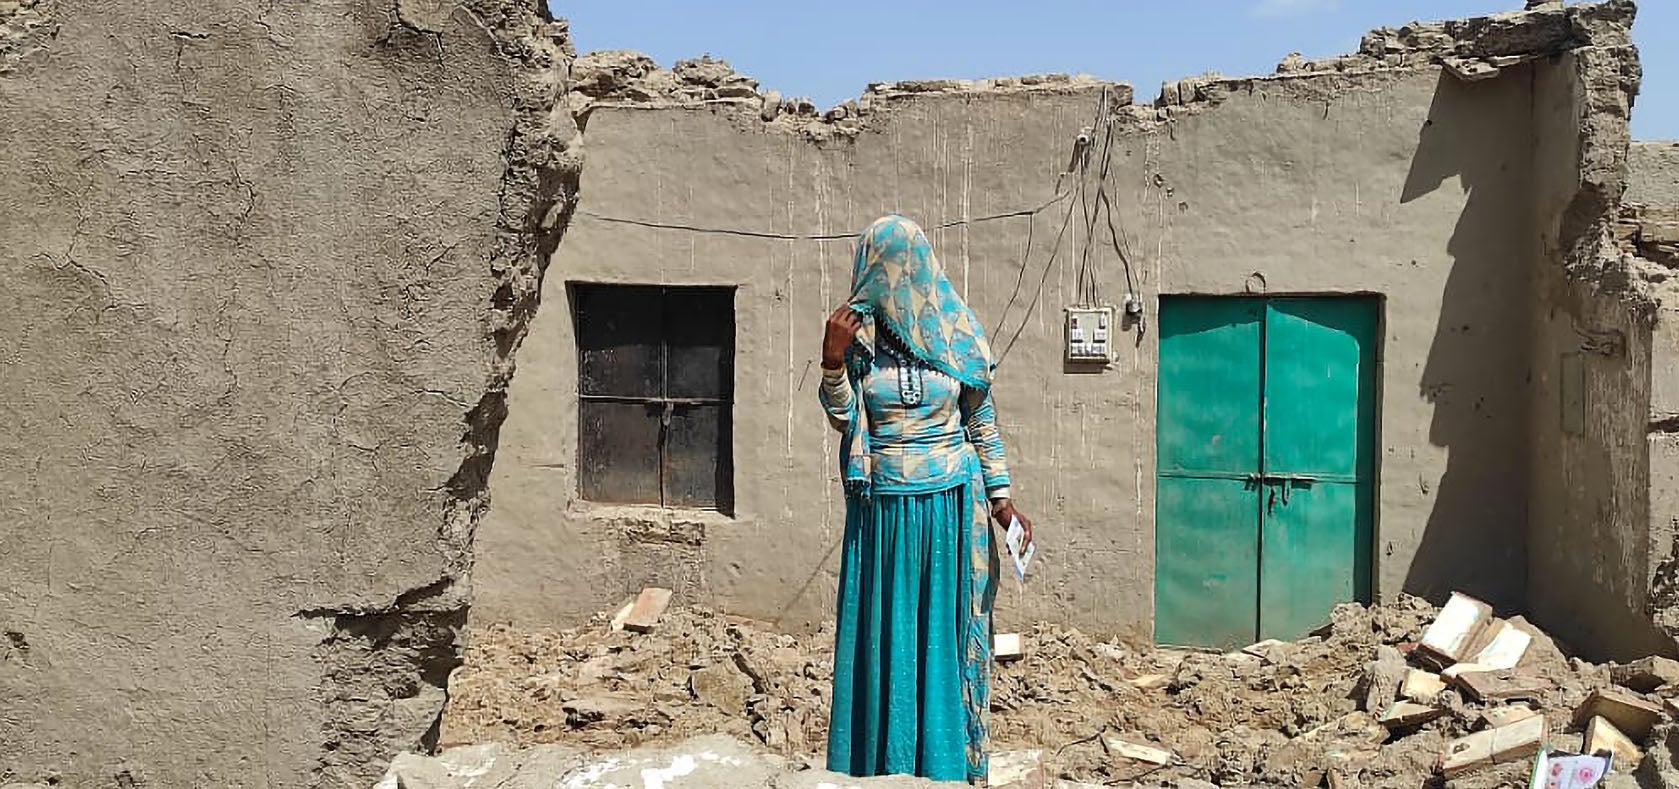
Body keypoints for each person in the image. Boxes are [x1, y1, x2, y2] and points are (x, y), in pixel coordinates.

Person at [818, 214, 1033, 786]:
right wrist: (832, 362)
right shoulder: (855, 340)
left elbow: (980, 419)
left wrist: (1002, 498)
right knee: (885, 640)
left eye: (897, 268)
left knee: (942, 637)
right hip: (882, 516)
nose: (887, 281)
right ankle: (880, 766)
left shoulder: (957, 334)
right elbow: (845, 419)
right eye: (878, 269)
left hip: (949, 514)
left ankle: (943, 768)